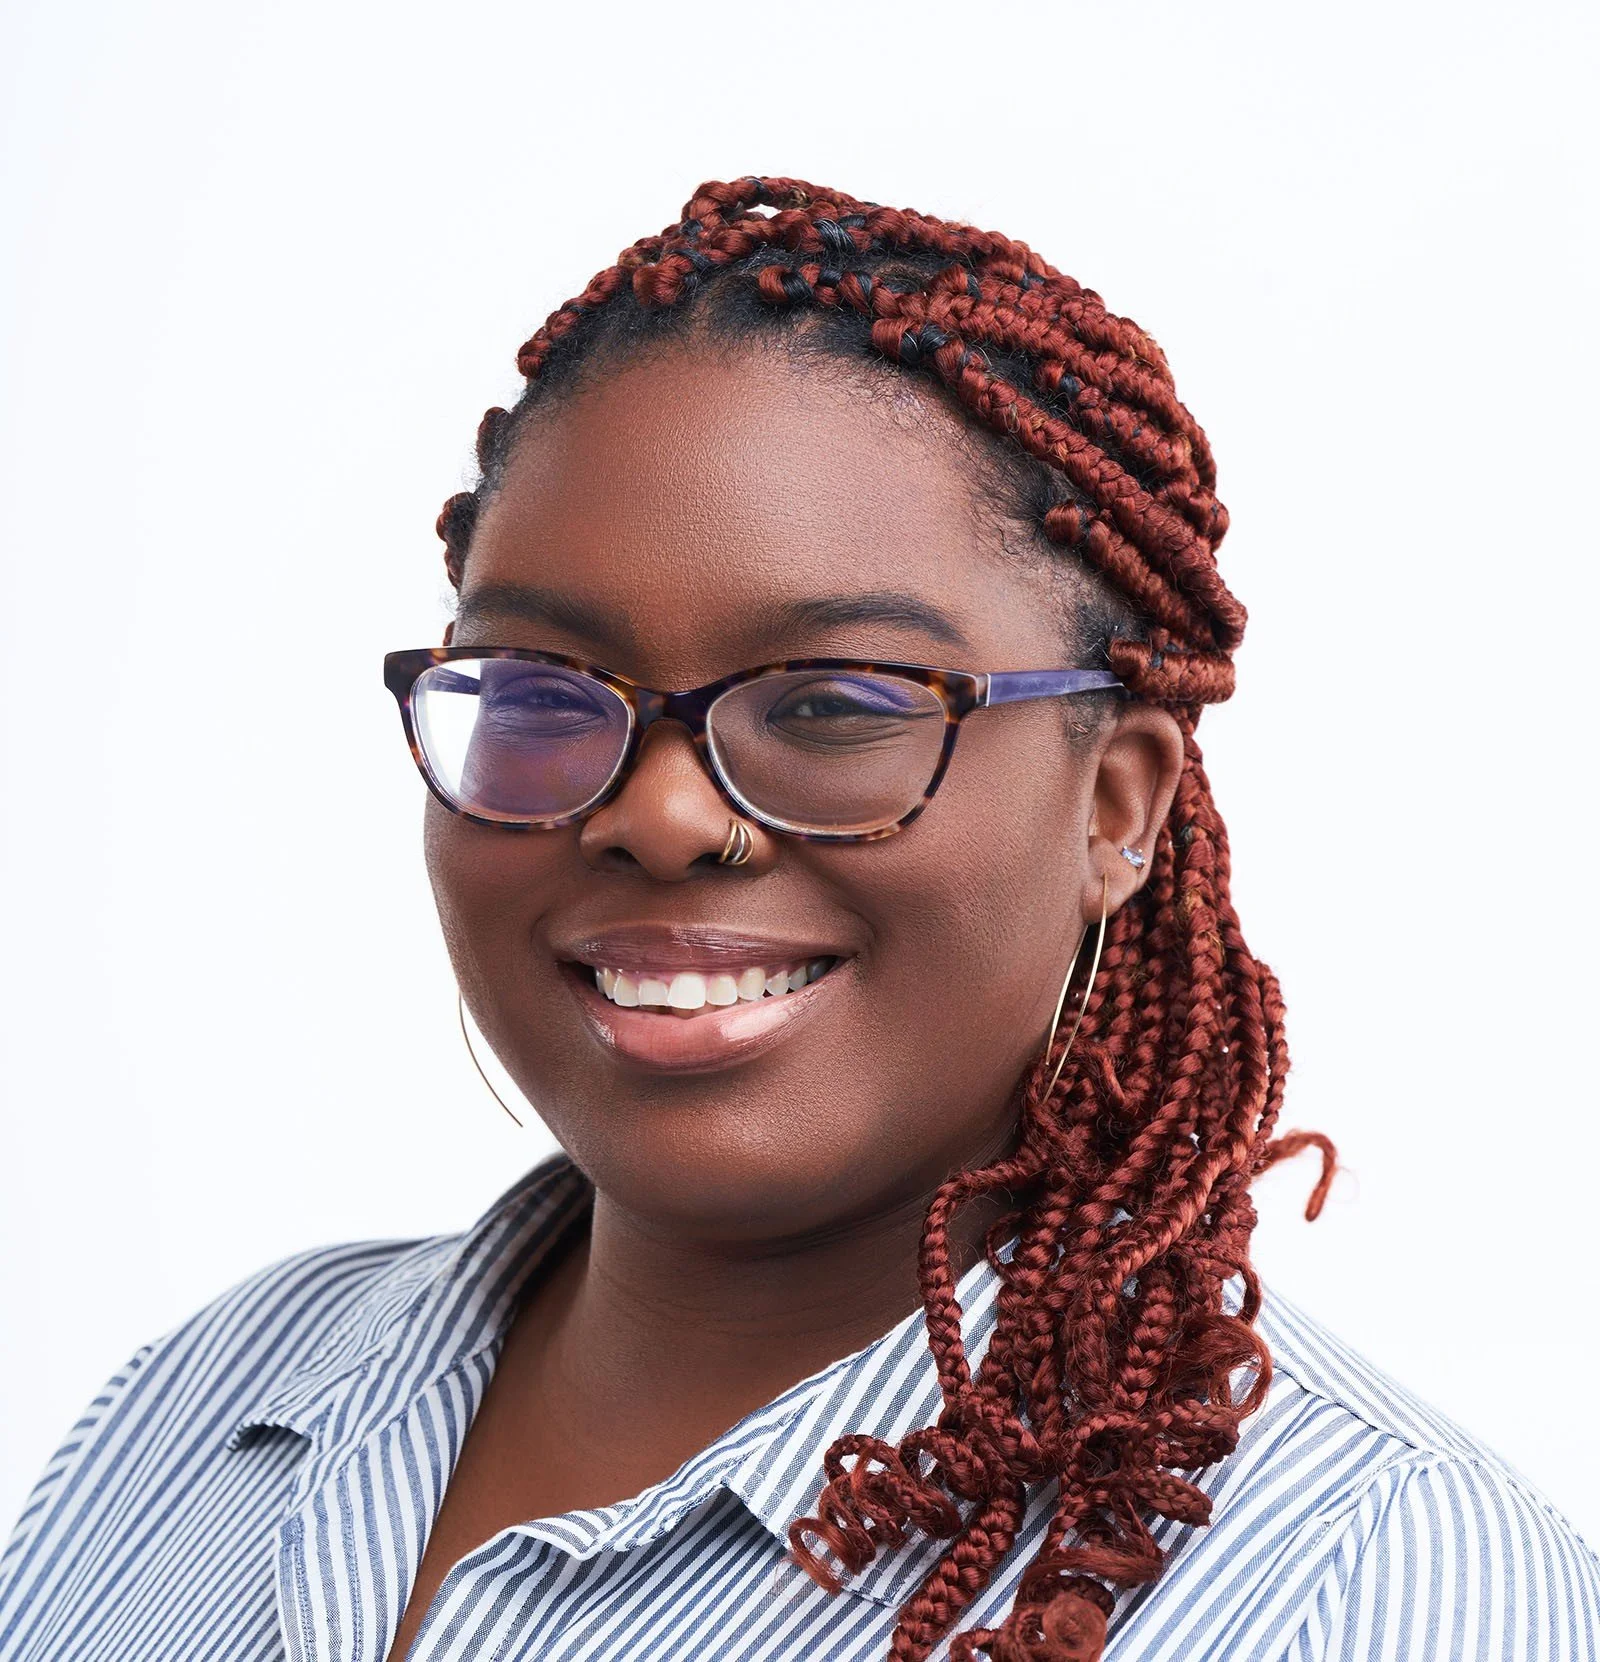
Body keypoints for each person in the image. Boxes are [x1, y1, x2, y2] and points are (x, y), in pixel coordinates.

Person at [2, 174, 1596, 1662]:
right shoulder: (217, 1395)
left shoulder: (1369, 1581)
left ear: (1115, 803)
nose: (663, 815)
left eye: (833, 702)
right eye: (548, 691)